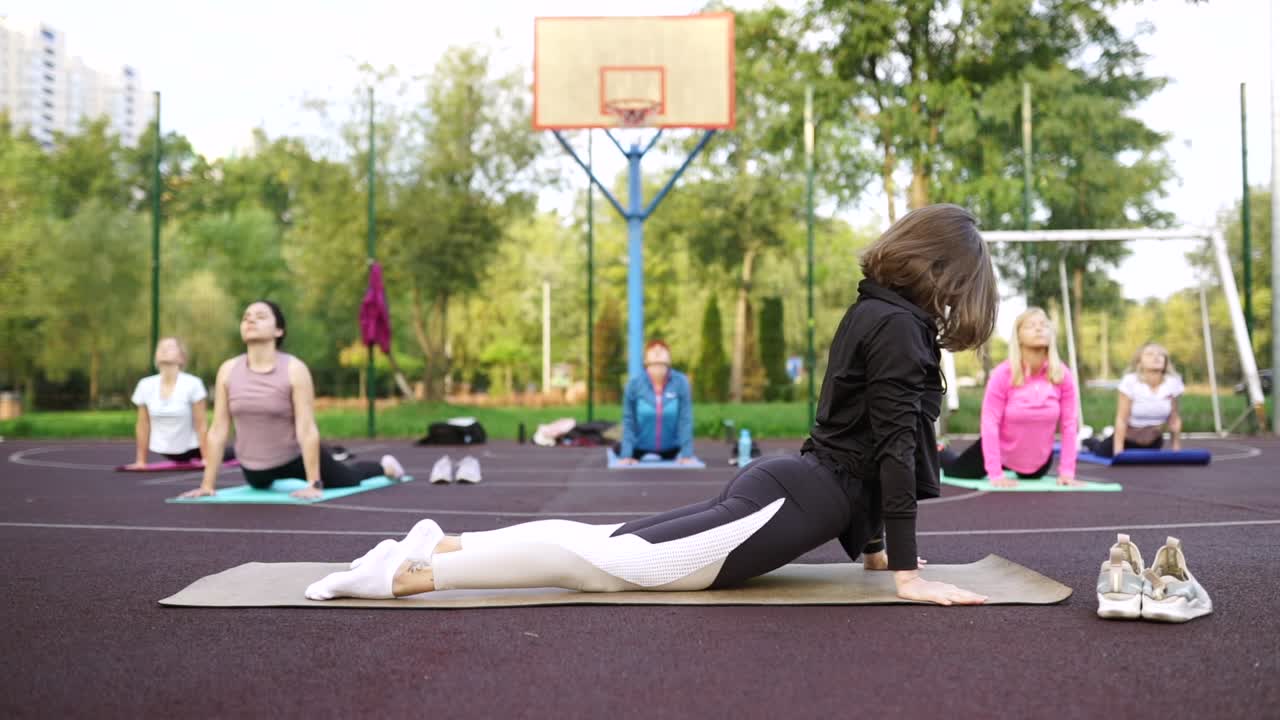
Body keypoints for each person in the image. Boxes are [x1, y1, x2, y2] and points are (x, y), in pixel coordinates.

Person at [305, 204, 997, 607]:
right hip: (793, 498)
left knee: (607, 544)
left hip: (792, 486)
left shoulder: (875, 312)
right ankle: (407, 574)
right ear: (945, 272)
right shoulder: (902, 329)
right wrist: (904, 572)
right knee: (605, 568)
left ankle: (440, 542)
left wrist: (875, 552)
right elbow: (892, 451)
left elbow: (867, 442)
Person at [178, 301, 405, 500]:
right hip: (254, 469)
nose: (251, 320)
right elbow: (218, 430)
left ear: (278, 330)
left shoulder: (294, 369)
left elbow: (306, 428)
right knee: (259, 484)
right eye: (246, 317)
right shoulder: (228, 370)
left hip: (293, 457)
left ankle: (385, 467)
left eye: (260, 316)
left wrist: (314, 483)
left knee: (349, 477)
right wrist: (207, 485)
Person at [940, 307, 1082, 487]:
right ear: (1018, 336)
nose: (1039, 329)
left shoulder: (1062, 375)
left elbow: (1069, 425)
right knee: (954, 469)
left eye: (1043, 325)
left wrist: (1067, 472)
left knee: (1032, 477)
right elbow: (990, 423)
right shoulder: (1003, 374)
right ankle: (939, 451)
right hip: (998, 451)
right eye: (1031, 325)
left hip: (1037, 464)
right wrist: (995, 473)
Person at [126, 337, 233, 468]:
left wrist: (206, 458)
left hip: (194, 449)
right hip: (165, 451)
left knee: (235, 453)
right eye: (161, 348)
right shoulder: (145, 385)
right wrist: (141, 461)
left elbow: (201, 424)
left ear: (182, 357)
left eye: (170, 347)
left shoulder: (193, 384)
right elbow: (143, 424)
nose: (164, 350)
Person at [1084, 343, 1184, 457]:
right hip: (1127, 441)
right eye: (1150, 354)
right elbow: (1121, 419)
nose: (1156, 357)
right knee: (1099, 450)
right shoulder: (1130, 382)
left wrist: (1176, 449)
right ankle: (1088, 440)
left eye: (1161, 354)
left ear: (1166, 361)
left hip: (1153, 443)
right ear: (1139, 361)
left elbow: (1174, 419)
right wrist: (1118, 451)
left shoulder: (1173, 383)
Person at [616, 340, 697, 465]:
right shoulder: (634, 385)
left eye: (662, 349)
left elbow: (685, 420)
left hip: (672, 451)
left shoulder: (681, 382)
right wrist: (626, 455)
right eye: (653, 349)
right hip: (639, 451)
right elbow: (629, 421)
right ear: (646, 360)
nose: (658, 350)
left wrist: (687, 455)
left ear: (669, 359)